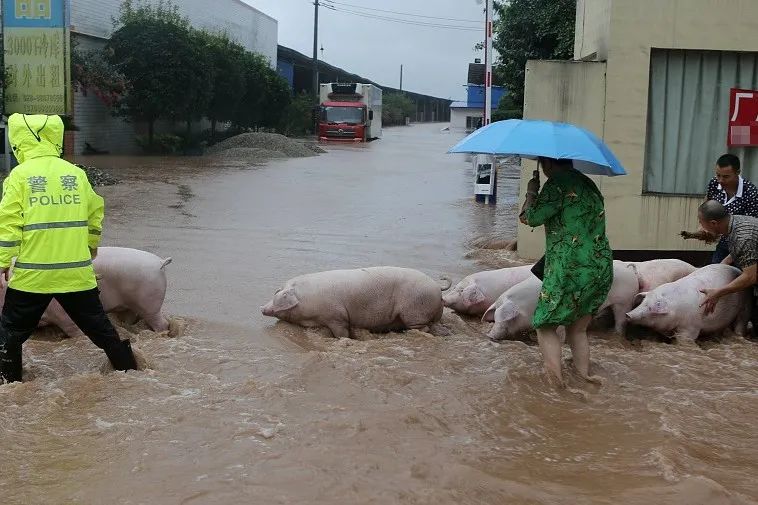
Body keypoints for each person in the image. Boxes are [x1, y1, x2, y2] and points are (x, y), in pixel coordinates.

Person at [0, 113, 138, 383]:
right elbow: (95, 215)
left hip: (33, 278)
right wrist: (90, 248)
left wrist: (2, 262)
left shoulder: (19, 176)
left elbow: (8, 225)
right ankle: (132, 374)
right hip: (76, 276)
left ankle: (11, 385)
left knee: (9, 336)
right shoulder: (76, 174)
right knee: (101, 330)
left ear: (20, 141)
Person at [519, 157, 613, 385]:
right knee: (578, 329)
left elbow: (528, 218)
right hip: (599, 266)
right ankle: (584, 377)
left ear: (547, 164)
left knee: (544, 324)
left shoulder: (556, 184)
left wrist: (531, 192)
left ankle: (556, 384)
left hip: (568, 268)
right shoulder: (589, 184)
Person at [697, 200, 758, 337]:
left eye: (701, 222)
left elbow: (750, 276)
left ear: (713, 223)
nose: (700, 227)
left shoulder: (742, 237)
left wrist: (718, 292)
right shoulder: (737, 221)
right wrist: (718, 267)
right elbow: (744, 250)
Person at [681, 154, 758, 263]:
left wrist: (725, 262)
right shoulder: (714, 183)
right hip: (724, 243)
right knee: (714, 271)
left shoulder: (751, 193)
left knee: (740, 276)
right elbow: (707, 207)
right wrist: (704, 227)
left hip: (745, 246)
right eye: (718, 175)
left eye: (726, 176)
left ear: (737, 172)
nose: (720, 180)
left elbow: (749, 234)